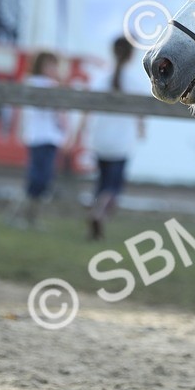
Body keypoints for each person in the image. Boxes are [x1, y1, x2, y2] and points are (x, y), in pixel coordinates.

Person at [86, 36, 146, 240]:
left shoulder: (100, 79)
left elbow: (88, 108)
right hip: (121, 142)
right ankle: (99, 213)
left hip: (100, 138)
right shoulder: (135, 82)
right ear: (131, 55)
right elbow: (141, 113)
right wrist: (141, 130)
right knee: (113, 187)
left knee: (101, 183)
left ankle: (96, 211)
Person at [11, 51, 71, 229]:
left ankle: (25, 215)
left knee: (37, 178)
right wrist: (66, 132)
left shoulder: (29, 83)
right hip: (46, 136)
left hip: (37, 135)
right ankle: (24, 215)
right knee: (41, 178)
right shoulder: (50, 85)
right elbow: (60, 113)